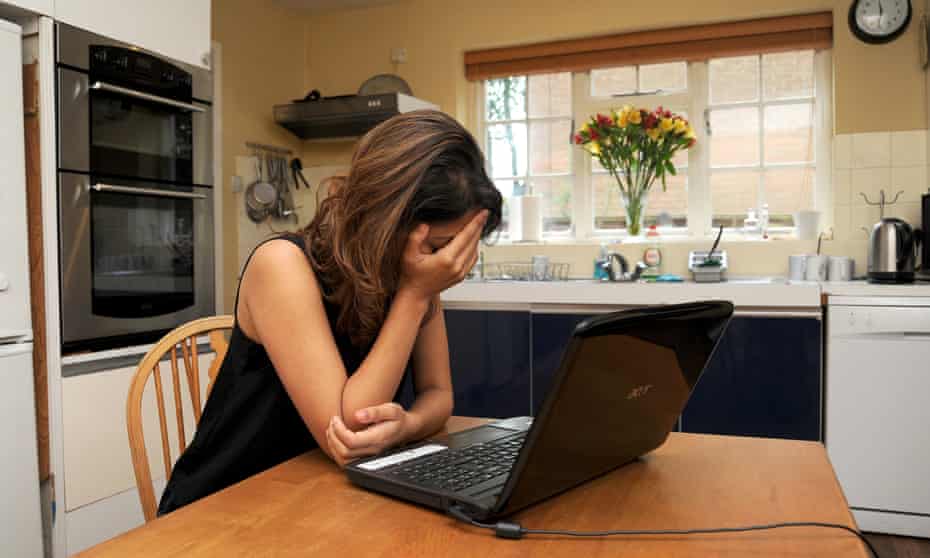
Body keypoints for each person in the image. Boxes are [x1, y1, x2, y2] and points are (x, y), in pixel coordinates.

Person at [157, 110, 502, 515]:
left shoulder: (411, 270)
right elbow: (351, 430)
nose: (450, 263)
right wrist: (414, 293)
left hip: (319, 498)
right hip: (224, 507)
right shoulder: (282, 265)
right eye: (441, 245)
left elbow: (438, 393)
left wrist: (408, 426)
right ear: (386, 223)